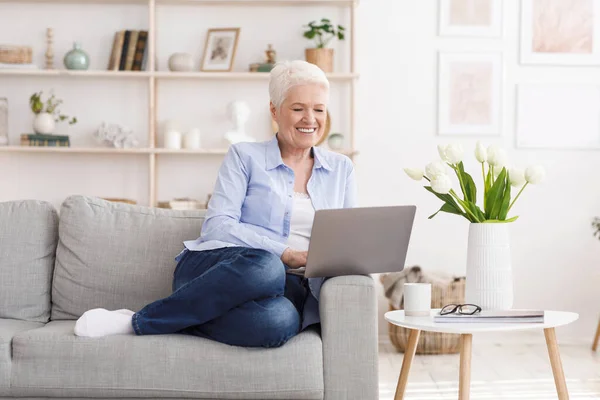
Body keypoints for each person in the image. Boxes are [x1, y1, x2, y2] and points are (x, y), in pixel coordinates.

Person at [73, 60, 357, 348]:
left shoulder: (341, 169)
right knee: (267, 266)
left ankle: (179, 318)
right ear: (274, 110)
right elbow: (217, 226)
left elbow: (347, 238)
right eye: (298, 108)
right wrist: (284, 253)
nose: (310, 118)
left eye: (319, 109)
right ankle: (137, 323)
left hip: (289, 288)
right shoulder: (245, 156)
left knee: (280, 322)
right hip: (219, 270)